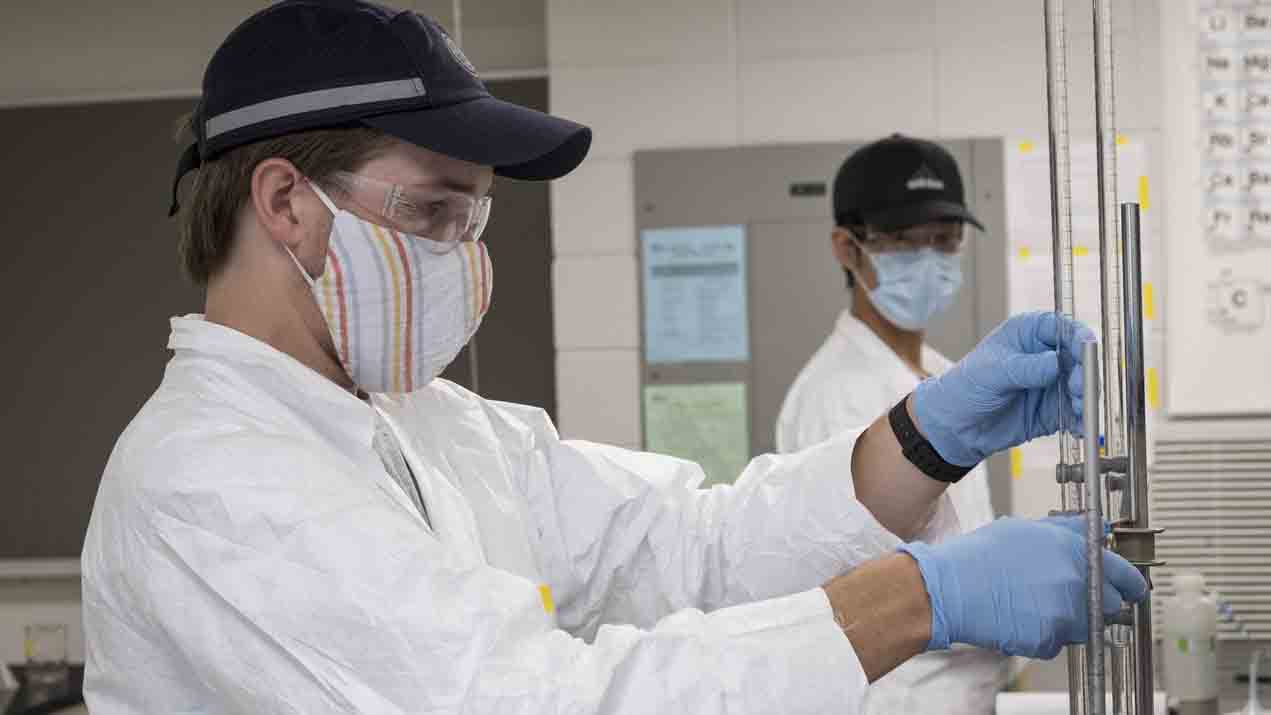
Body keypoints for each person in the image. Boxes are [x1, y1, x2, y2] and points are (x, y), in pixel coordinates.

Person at [80, 3, 1147, 713]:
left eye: (476, 219)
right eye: (434, 212)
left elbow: (694, 546)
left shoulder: (433, 425)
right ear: (285, 204)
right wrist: (918, 597)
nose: (466, 258)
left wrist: (928, 433)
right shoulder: (210, 479)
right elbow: (526, 702)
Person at [777, 135, 1002, 713]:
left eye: (944, 240)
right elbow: (863, 595)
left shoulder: (943, 376)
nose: (928, 259)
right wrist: (998, 589)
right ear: (847, 249)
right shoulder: (835, 395)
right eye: (904, 240)